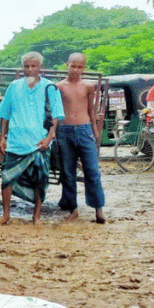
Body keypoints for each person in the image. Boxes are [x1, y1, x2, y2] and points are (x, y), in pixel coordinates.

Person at [0, 51, 63, 225]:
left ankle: (37, 216)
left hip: (40, 142)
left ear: (40, 68)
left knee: (41, 178)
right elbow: (5, 114)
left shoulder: (50, 87)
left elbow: (55, 116)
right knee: (7, 178)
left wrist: (49, 138)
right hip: (16, 142)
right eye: (27, 66)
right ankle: (6, 215)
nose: (30, 69)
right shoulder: (14, 86)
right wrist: (2, 137)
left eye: (34, 66)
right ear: (22, 68)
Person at [54, 53, 107, 224]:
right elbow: (55, 111)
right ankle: (73, 208)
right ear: (67, 65)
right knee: (68, 172)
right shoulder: (59, 86)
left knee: (92, 171)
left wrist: (95, 130)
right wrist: (54, 131)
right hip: (64, 130)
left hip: (85, 130)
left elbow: (91, 109)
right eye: (73, 66)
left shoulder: (88, 86)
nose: (76, 70)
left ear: (84, 68)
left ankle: (98, 209)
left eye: (79, 67)